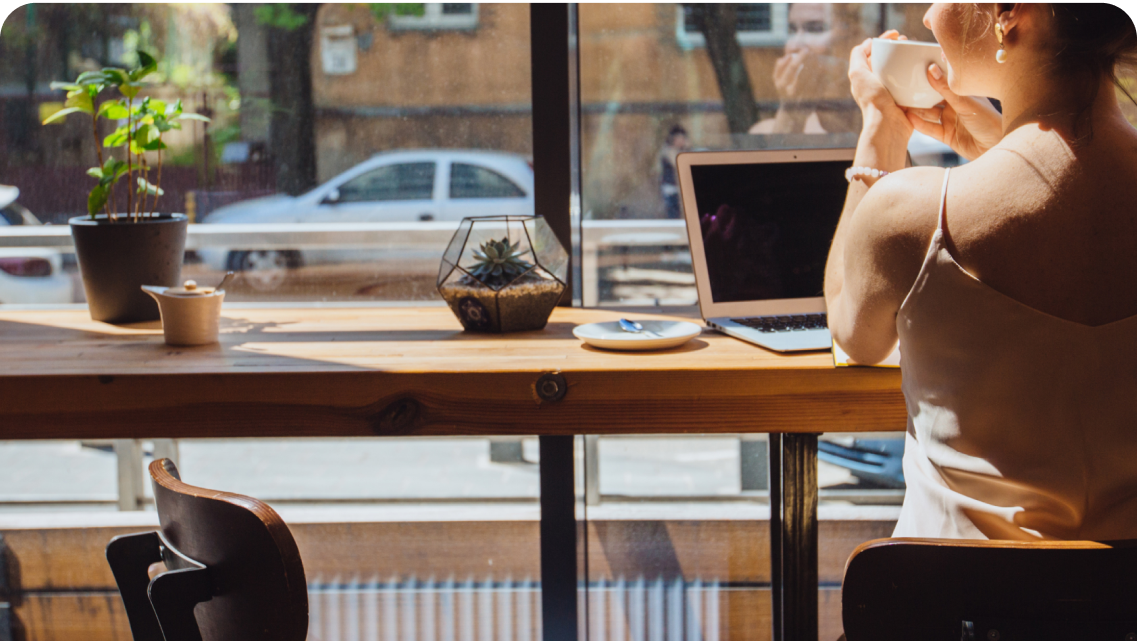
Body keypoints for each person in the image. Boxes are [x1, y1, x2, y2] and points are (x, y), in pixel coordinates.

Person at [824, 3, 1137, 540]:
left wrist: (880, 132)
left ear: (1009, 12)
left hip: (953, 590)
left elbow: (852, 333)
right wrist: (999, 147)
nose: (928, 16)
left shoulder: (911, 213)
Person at [749, 2, 864, 135]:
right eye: (792, 30)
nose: (794, 45)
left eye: (815, 28)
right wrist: (791, 114)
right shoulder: (764, 132)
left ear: (852, 38)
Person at [659, 124, 689, 219]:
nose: (681, 141)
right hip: (671, 189)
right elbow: (677, 164)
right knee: (673, 215)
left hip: (679, 189)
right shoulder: (669, 151)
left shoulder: (681, 151)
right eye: (679, 138)